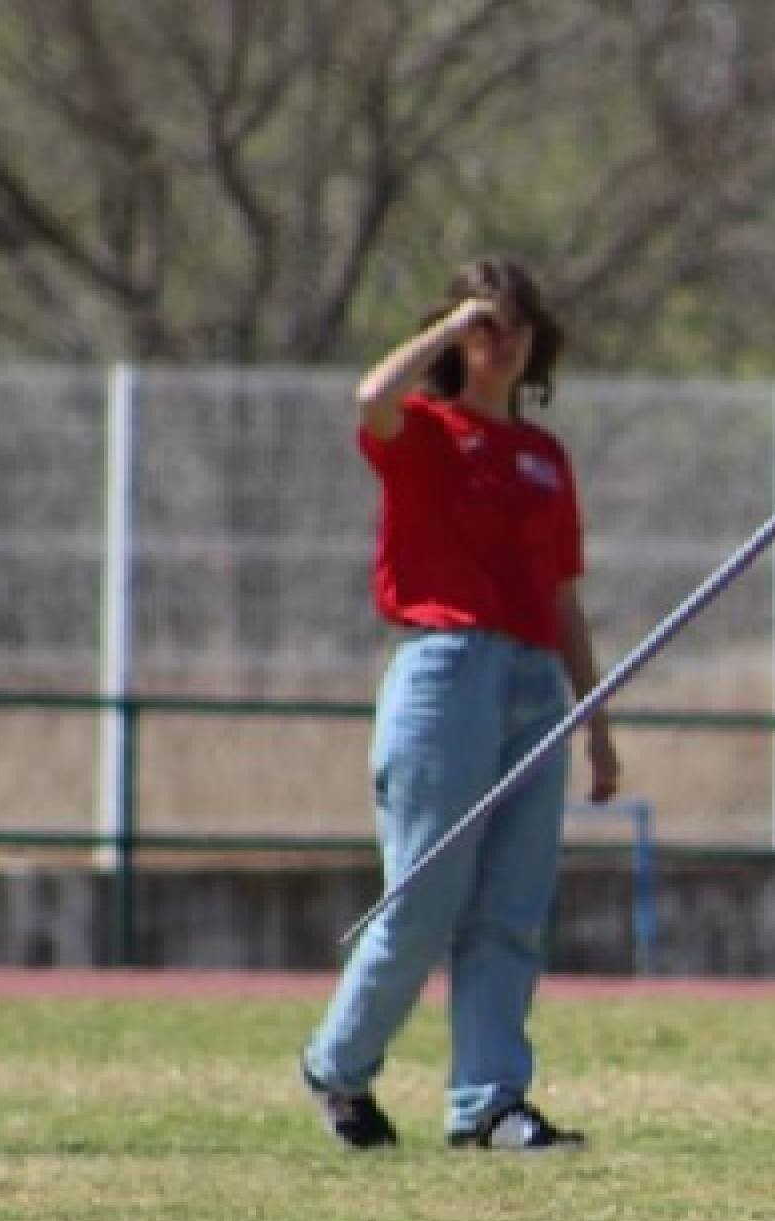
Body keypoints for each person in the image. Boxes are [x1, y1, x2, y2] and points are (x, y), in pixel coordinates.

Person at [300, 256, 619, 1152]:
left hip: (531, 682)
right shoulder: (426, 429)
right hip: (444, 671)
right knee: (426, 894)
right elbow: (370, 398)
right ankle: (340, 1065)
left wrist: (595, 725)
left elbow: (562, 599)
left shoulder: (544, 458)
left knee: (511, 907)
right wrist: (447, 327)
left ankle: (487, 1102)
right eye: (485, 324)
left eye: (515, 323)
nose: (501, 340)